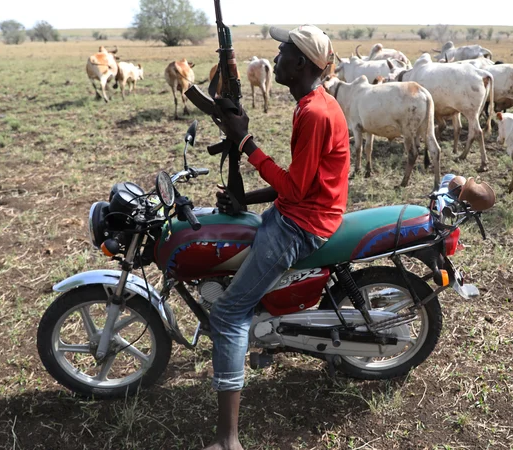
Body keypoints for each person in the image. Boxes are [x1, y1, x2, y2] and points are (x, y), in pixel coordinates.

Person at [201, 24, 350, 450]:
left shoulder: (315, 113)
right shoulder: (313, 104)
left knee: (228, 314)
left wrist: (245, 141)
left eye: (282, 51)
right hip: (298, 212)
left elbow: (296, 189)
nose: (276, 58)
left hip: (301, 225)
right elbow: (298, 182)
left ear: (300, 62)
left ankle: (228, 441)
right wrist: (244, 198)